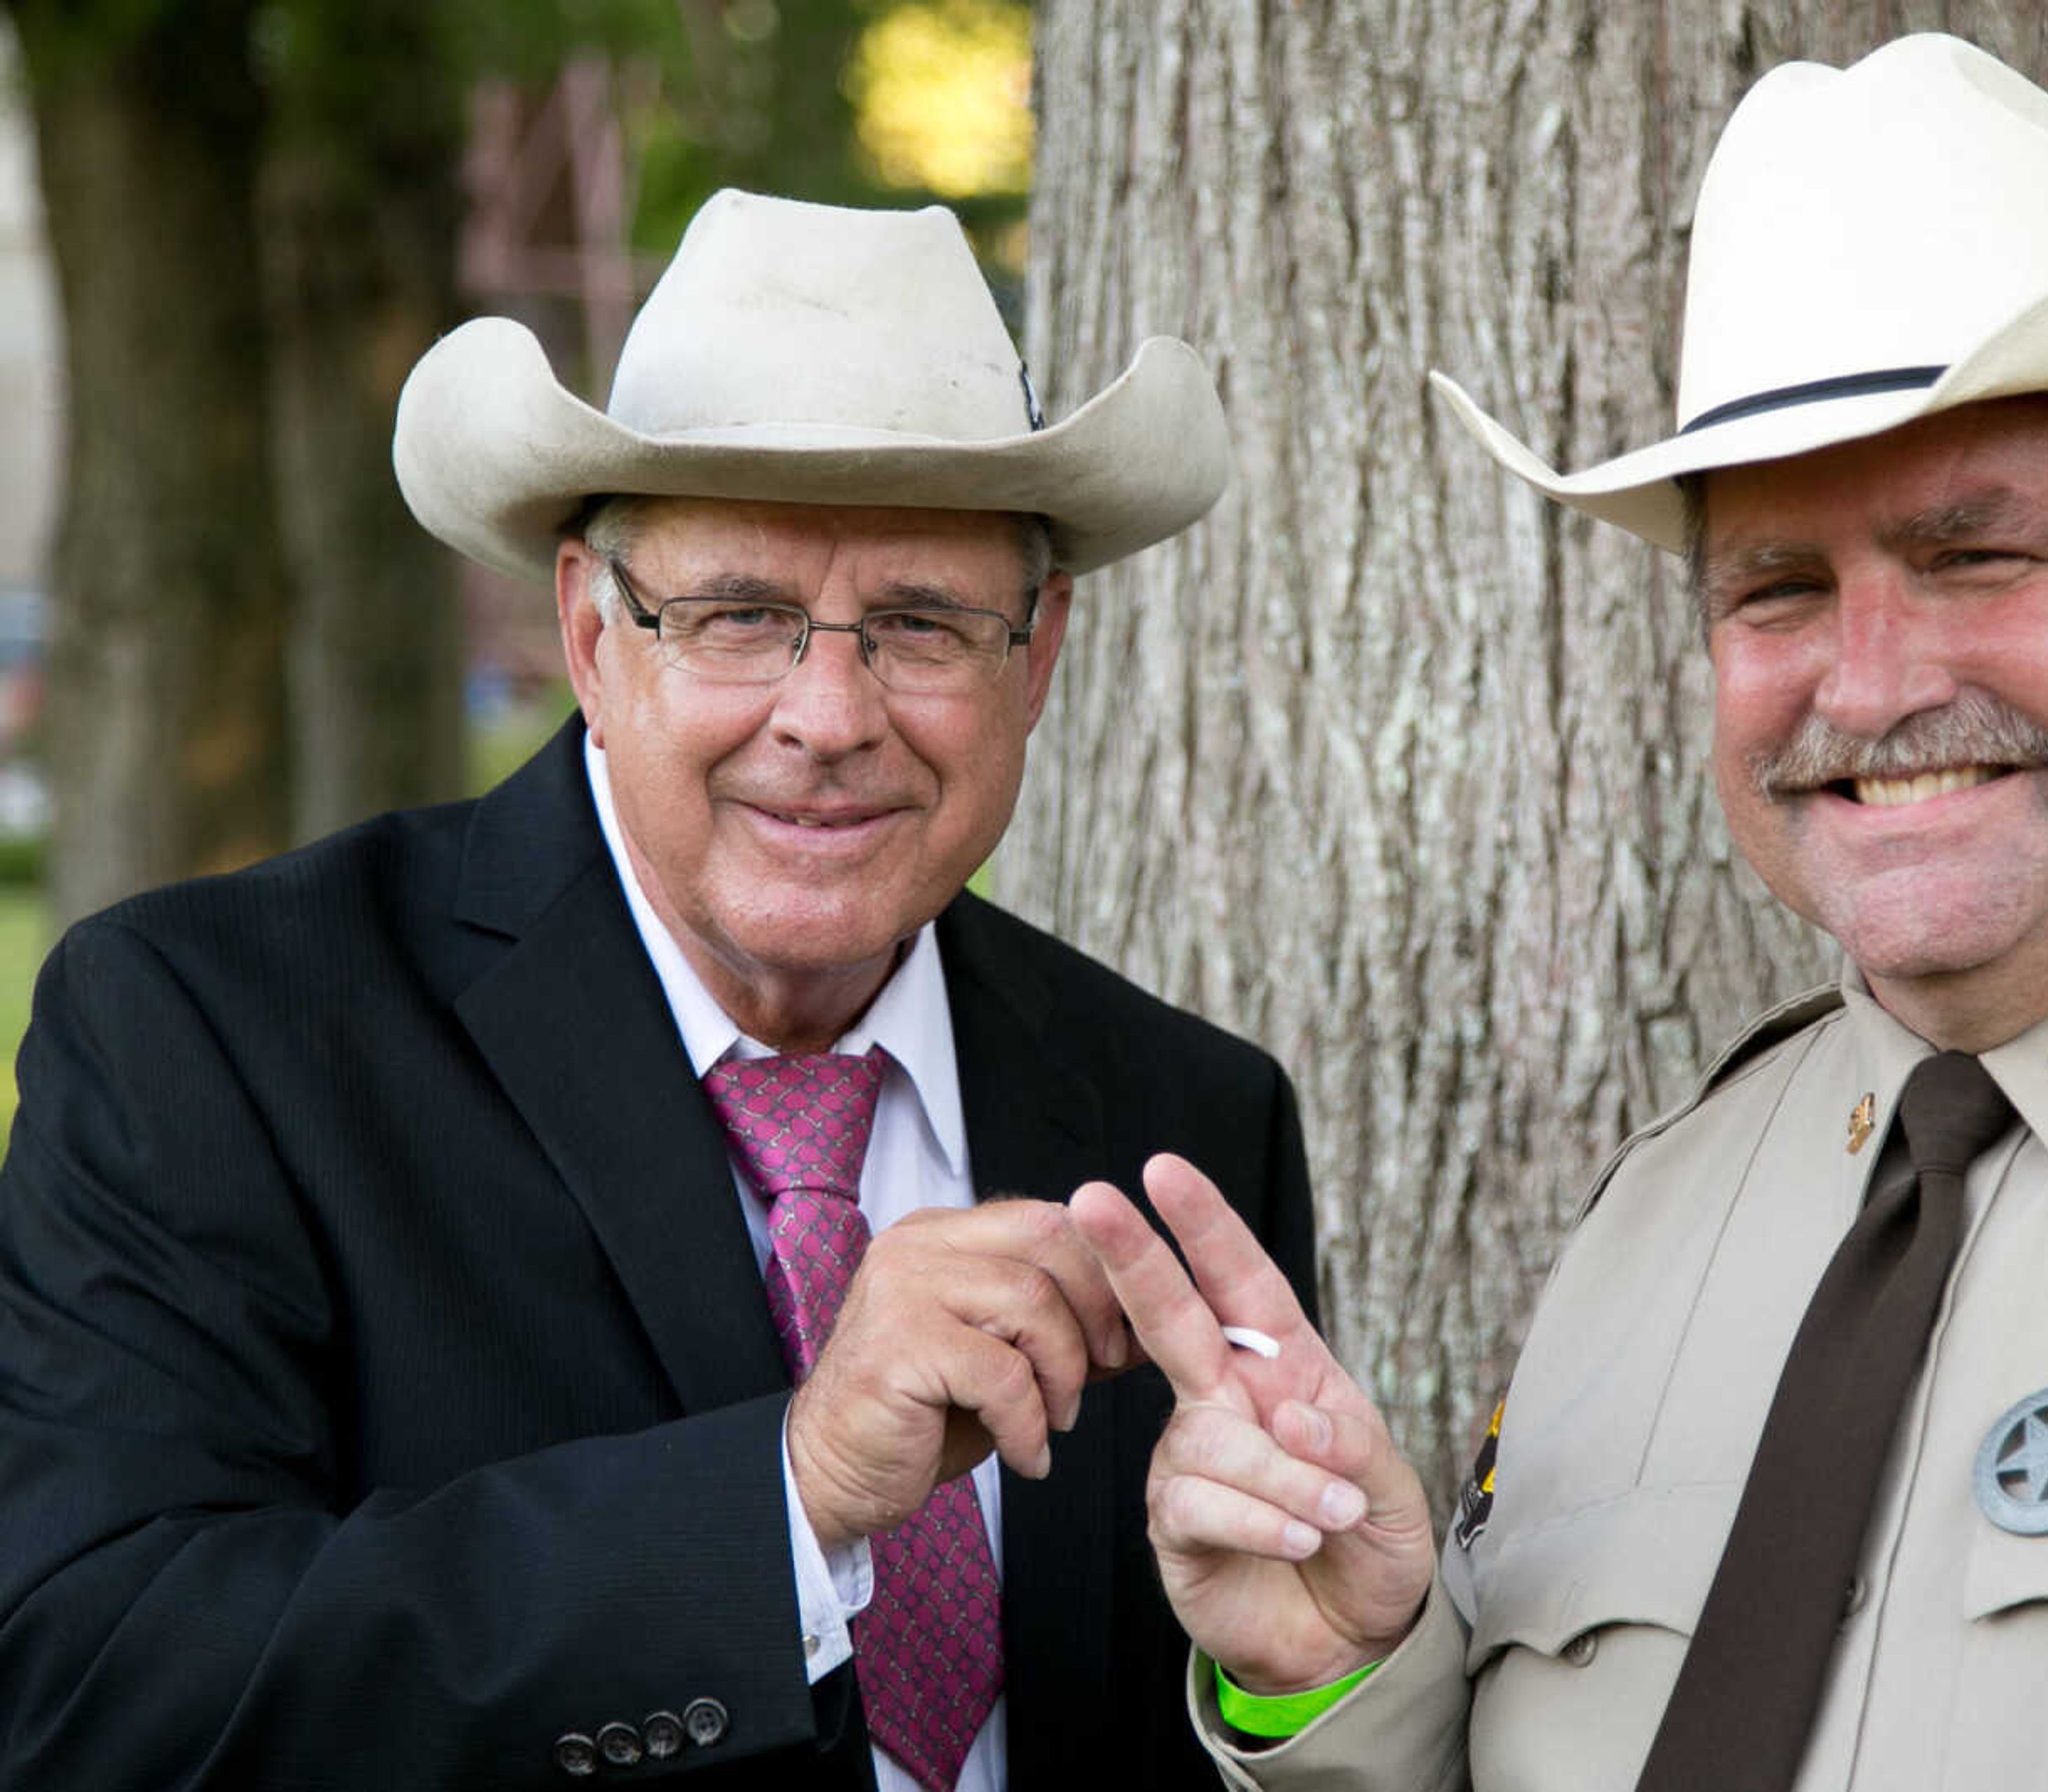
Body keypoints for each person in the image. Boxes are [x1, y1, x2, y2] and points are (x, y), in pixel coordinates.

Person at [1065, 33, 2048, 1792]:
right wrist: (1348, 1690)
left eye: (1978, 557)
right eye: (1777, 587)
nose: (1871, 681)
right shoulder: (1656, 1223)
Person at [0, 190, 1315, 1791]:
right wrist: (792, 1489)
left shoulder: (1182, 1117)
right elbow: (96, 1694)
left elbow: (1215, 1703)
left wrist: (1293, 1699)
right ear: (587, 633)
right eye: (739, 617)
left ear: (1033, 665)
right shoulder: (218, 1036)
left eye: (921, 624)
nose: (829, 713)